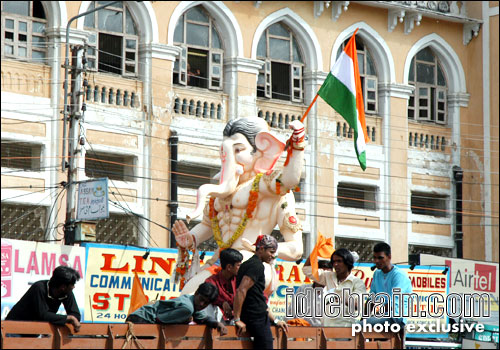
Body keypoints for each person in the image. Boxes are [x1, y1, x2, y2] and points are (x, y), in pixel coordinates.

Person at [172, 117, 306, 297]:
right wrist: (191, 238)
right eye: (227, 151)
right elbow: (207, 225)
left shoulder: (269, 188)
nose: (231, 157)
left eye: (238, 150)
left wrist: (297, 145)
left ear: (260, 151)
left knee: (240, 286)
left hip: (253, 263)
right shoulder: (219, 194)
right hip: (221, 263)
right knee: (188, 296)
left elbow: (296, 249)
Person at [233, 235, 288, 349]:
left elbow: (257, 297)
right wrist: (237, 318)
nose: (273, 256)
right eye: (271, 252)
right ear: (261, 249)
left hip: (256, 316)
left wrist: (276, 320)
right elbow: (241, 290)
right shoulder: (256, 265)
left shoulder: (248, 264)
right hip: (256, 318)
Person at [126, 282, 227, 335]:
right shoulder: (188, 308)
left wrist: (217, 324)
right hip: (142, 319)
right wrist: (184, 321)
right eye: (201, 299)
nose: (202, 304)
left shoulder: (193, 303)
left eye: (206, 303)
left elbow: (203, 318)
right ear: (196, 293)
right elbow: (160, 319)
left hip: (142, 318)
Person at [6, 266, 81, 332]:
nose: (74, 287)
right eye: (73, 284)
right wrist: (69, 318)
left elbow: (76, 315)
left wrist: (71, 318)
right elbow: (43, 315)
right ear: (63, 287)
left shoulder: (66, 292)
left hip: (35, 331)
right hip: (14, 328)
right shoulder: (39, 288)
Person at [303, 248, 366, 327]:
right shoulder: (328, 276)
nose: (335, 264)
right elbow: (306, 269)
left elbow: (358, 305)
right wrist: (315, 251)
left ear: (347, 262)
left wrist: (340, 299)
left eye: (339, 261)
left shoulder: (357, 282)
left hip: (345, 328)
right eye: (334, 262)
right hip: (326, 326)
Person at [363, 242, 413, 327]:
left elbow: (393, 304)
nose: (376, 261)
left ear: (389, 257)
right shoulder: (377, 274)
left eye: (380, 258)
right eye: (374, 258)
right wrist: (364, 318)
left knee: (360, 327)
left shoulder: (398, 275)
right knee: (357, 326)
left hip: (396, 318)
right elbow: (371, 299)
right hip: (383, 317)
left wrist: (376, 315)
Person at [286, 259, 331, 327]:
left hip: (323, 333)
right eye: (321, 274)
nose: (323, 277)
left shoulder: (334, 293)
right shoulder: (302, 289)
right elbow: (291, 313)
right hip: (302, 332)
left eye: (327, 274)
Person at [205, 248, 243, 323]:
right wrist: (222, 302)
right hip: (218, 321)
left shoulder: (241, 280)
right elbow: (205, 298)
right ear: (229, 267)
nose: (241, 268)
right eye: (238, 265)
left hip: (237, 319)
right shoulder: (211, 281)